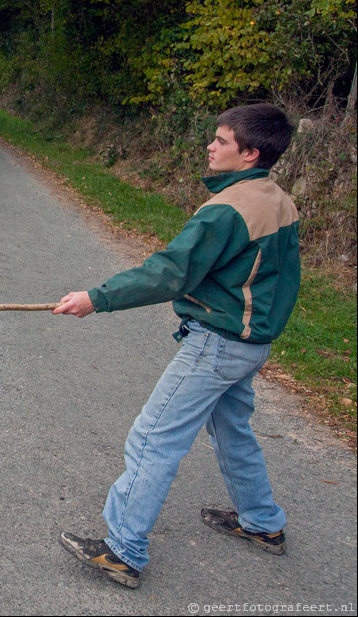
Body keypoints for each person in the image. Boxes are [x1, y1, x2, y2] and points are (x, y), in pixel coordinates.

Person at [52, 103, 299, 589]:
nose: (211, 146)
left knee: (152, 438)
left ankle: (123, 549)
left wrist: (96, 298)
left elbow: (170, 272)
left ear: (249, 153)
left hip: (219, 344)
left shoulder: (227, 210)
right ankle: (263, 523)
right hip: (252, 342)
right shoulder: (278, 199)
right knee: (233, 431)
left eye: (222, 141)